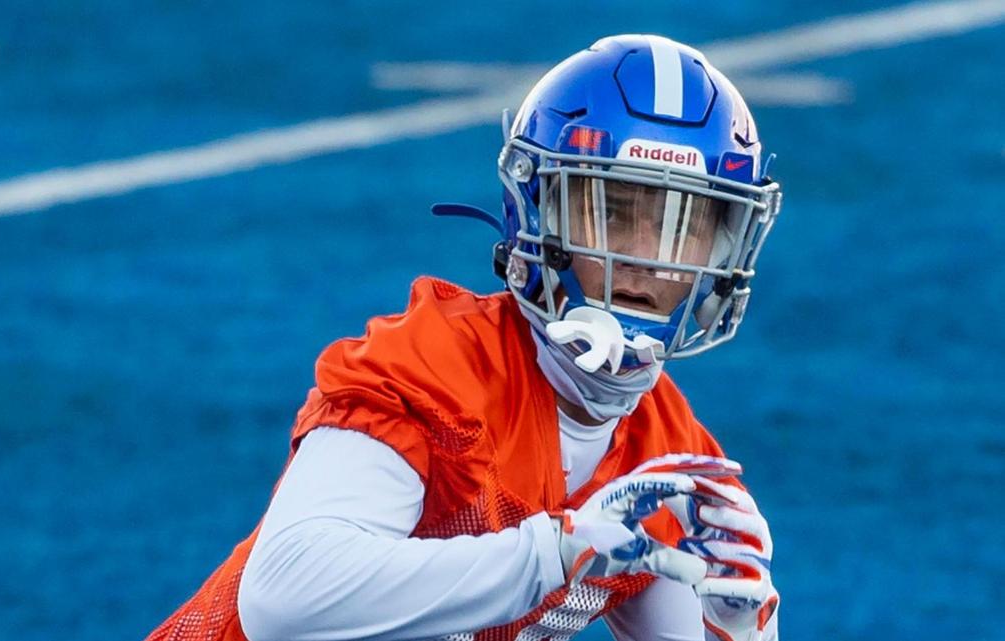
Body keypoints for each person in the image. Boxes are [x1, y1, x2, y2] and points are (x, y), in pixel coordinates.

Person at [146, 34, 783, 641]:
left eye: (685, 225)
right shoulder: (431, 367)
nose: (646, 259)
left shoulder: (667, 455)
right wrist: (553, 551)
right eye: (611, 212)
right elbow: (283, 601)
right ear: (538, 211)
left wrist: (737, 627)